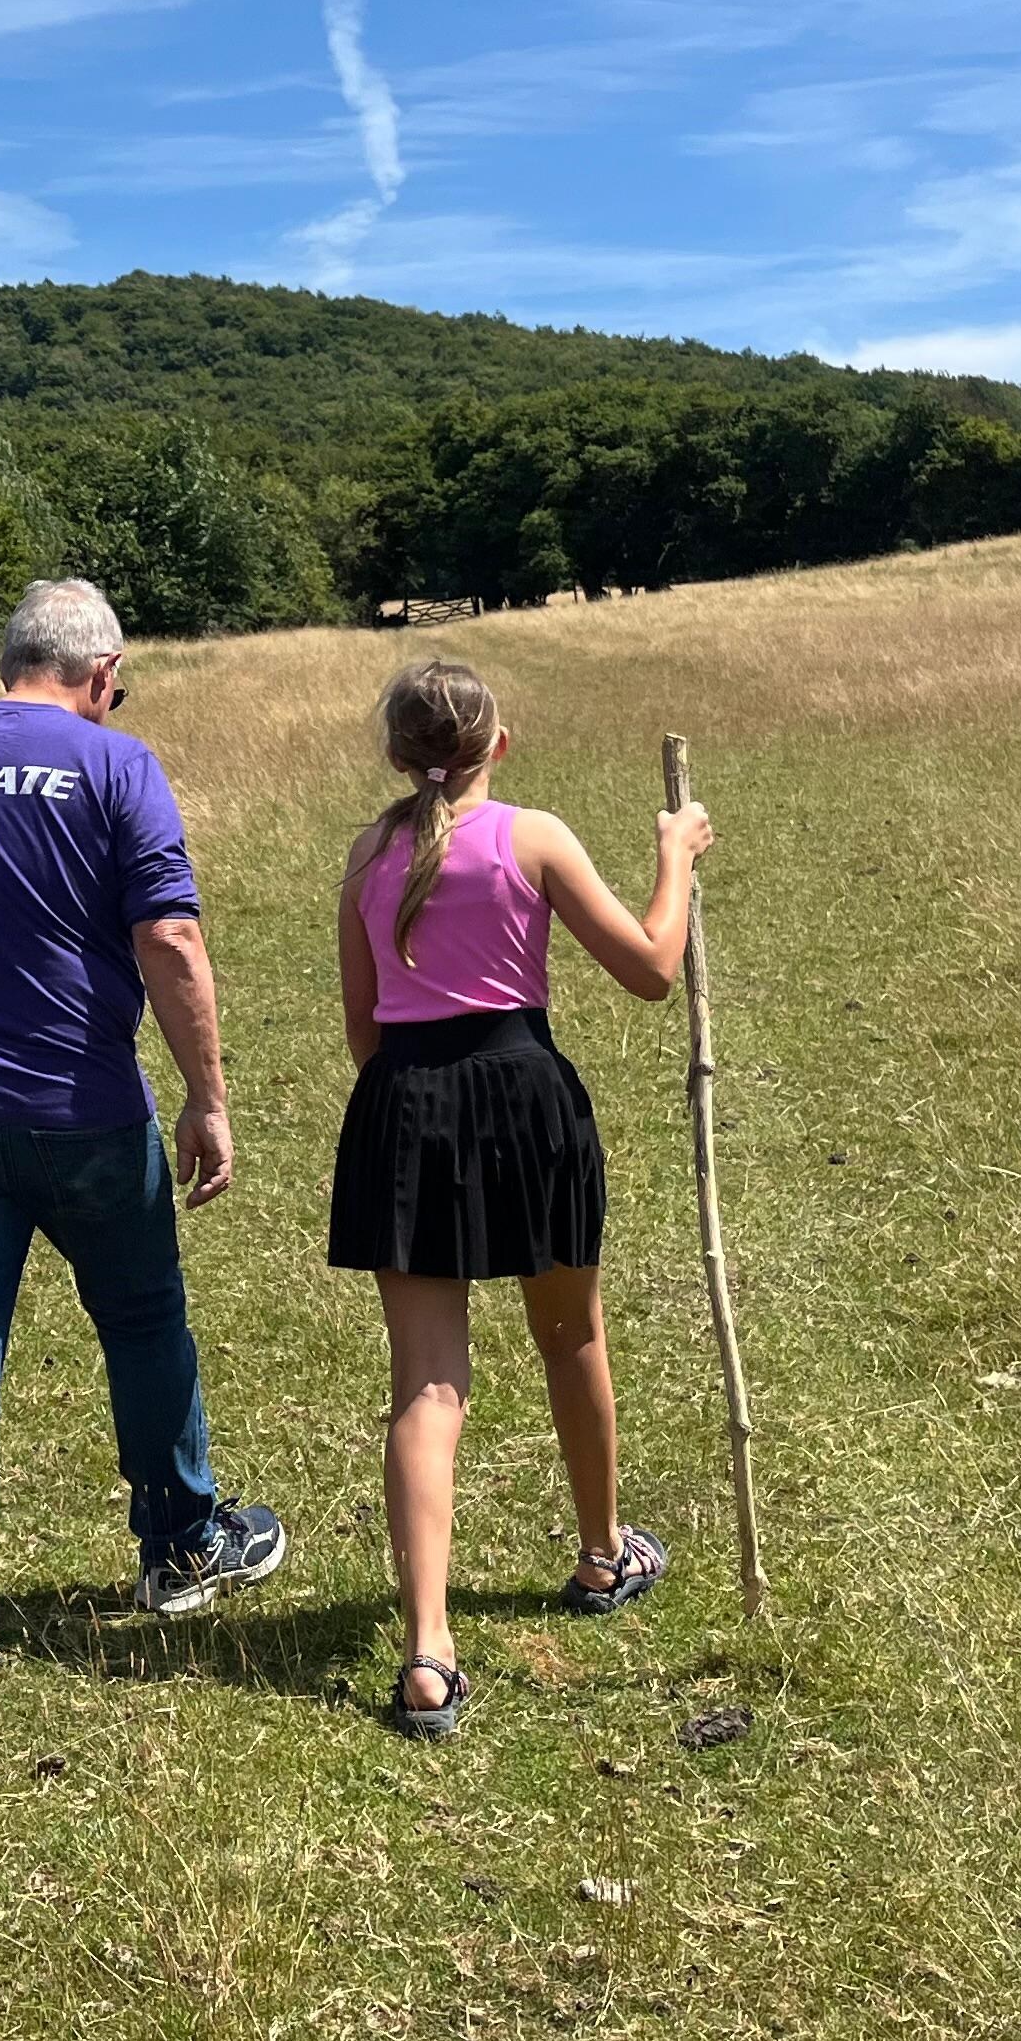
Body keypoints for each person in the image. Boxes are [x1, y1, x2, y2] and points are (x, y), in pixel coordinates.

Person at [0, 578, 289, 1728]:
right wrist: (208, 1096)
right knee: (142, 1321)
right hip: (83, 1106)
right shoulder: (114, 763)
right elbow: (171, 935)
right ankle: (181, 1547)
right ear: (99, 674)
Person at [329, 658, 713, 1739]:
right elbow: (649, 967)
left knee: (427, 1387)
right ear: (497, 746)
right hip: (525, 1099)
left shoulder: (367, 852)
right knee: (569, 1335)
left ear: (399, 755)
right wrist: (672, 856)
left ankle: (427, 1653)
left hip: (403, 1107)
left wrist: (420, 1085)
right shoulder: (532, 837)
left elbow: (365, 1029)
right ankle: (601, 1557)